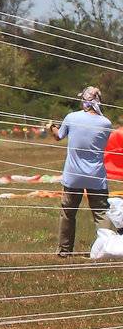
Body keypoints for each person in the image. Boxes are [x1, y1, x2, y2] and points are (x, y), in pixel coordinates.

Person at [47, 86, 114, 257]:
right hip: (96, 176)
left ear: (84, 101)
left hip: (73, 175)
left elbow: (58, 136)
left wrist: (51, 126)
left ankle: (64, 251)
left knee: (68, 213)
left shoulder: (71, 117)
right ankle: (107, 249)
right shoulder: (106, 123)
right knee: (101, 213)